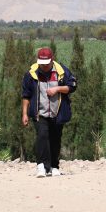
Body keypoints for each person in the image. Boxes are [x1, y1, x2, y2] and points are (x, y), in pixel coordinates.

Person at [22, 47, 77, 178]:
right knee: (42, 137)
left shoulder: (61, 71)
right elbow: (26, 94)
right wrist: (24, 113)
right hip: (39, 113)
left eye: (46, 64)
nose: (44, 66)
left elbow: (73, 86)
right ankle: (41, 166)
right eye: (41, 63)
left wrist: (57, 88)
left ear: (52, 60)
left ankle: (54, 166)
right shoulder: (31, 73)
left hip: (57, 112)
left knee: (55, 139)